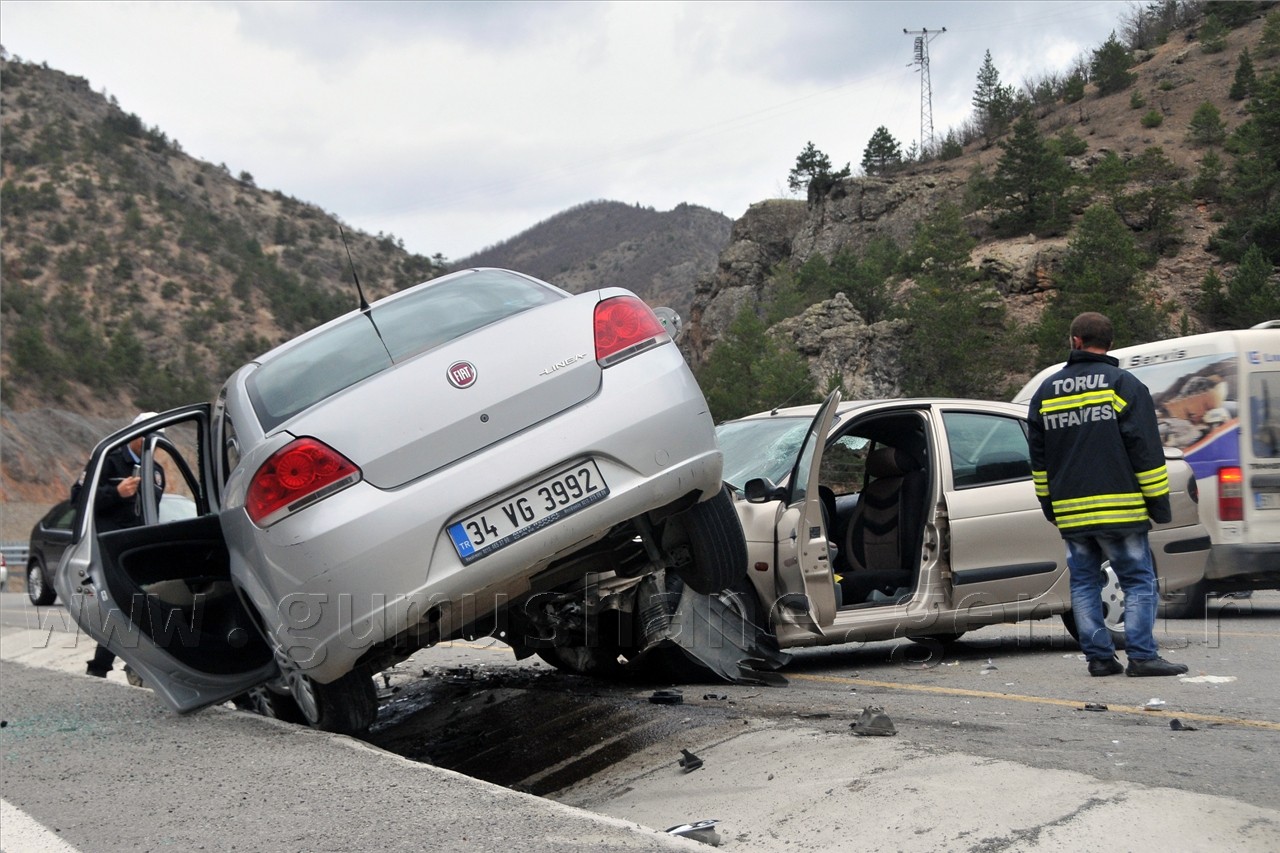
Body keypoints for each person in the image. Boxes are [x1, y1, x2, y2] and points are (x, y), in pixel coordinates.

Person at [1027, 313, 1189, 678]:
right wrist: (1158, 505)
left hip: (1072, 513)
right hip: (1122, 510)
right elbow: (1146, 452)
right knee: (1137, 581)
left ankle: (1099, 658)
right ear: (1109, 344)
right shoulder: (1123, 385)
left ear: (1075, 341)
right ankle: (1143, 656)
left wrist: (1049, 505)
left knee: (1084, 583)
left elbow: (1038, 460)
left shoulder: (1046, 391)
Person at [71, 412, 165, 678]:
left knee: (137, 606)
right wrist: (116, 493)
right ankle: (104, 667)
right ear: (135, 433)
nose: (151, 440)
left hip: (141, 550)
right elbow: (77, 498)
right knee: (123, 605)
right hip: (110, 549)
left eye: (157, 437)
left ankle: (120, 666)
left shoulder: (155, 471)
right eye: (148, 434)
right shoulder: (107, 462)